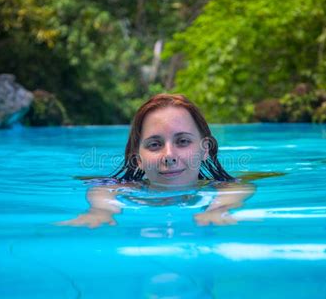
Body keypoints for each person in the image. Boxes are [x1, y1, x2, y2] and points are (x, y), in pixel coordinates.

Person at [61, 94, 254, 228]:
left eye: (183, 141)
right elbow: (103, 189)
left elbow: (241, 187)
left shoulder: (218, 188)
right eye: (154, 145)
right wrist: (101, 210)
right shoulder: (131, 187)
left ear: (204, 150)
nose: (169, 155)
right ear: (138, 160)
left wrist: (220, 208)